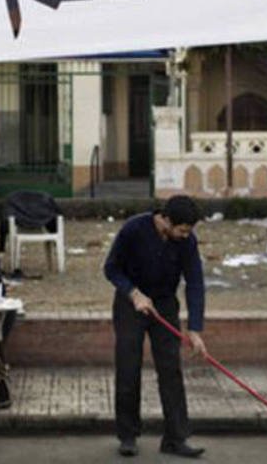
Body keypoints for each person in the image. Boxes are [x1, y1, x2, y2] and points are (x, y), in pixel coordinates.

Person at [103, 195, 207, 459]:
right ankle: (128, 435)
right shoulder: (134, 229)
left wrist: (194, 329)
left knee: (171, 369)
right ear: (166, 220)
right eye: (182, 230)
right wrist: (133, 293)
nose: (185, 236)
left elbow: (195, 282)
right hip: (131, 304)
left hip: (164, 304)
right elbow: (111, 268)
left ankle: (175, 437)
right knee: (128, 367)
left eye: (188, 231)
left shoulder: (187, 241)